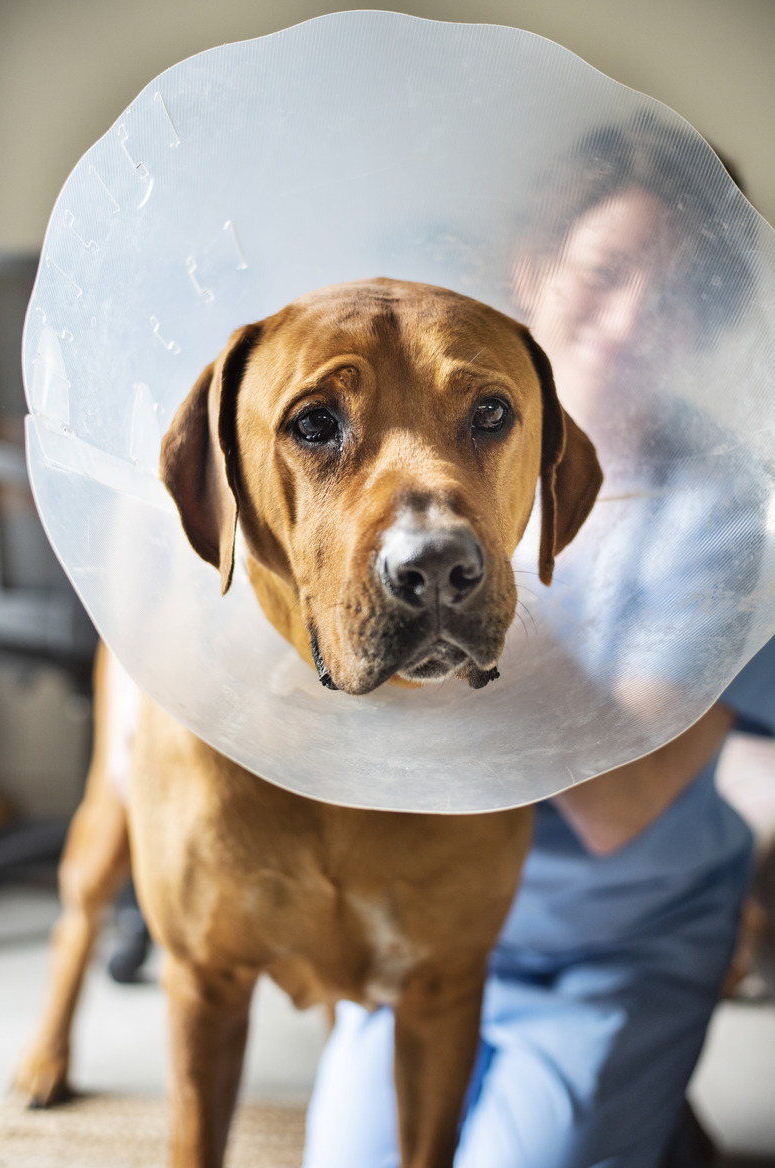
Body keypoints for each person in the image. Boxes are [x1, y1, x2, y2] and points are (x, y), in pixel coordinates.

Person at [301, 115, 773, 1168]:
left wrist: (465, 584)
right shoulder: (409, 472)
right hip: (437, 921)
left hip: (616, 933)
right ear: (534, 269)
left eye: (681, 294)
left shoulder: (730, 519)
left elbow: (617, 804)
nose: (634, 317)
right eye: (605, 271)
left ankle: (641, 1091)